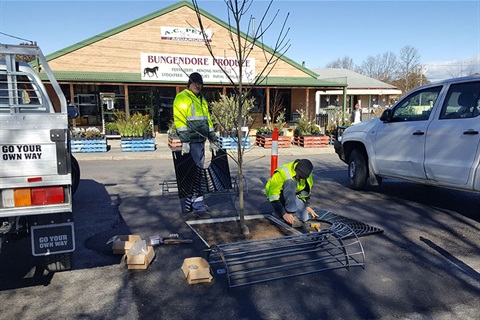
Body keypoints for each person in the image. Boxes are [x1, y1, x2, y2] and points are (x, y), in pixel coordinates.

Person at [173, 72, 218, 215]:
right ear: (189, 83)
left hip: (200, 142)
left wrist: (213, 139)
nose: (198, 86)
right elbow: (179, 120)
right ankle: (194, 204)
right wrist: (185, 141)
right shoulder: (182, 98)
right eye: (195, 83)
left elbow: (208, 121)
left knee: (196, 173)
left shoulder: (201, 100)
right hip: (191, 142)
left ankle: (194, 203)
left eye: (200, 83)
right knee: (194, 173)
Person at [265, 159, 319, 227]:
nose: (301, 179)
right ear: (296, 171)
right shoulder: (282, 172)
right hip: (280, 194)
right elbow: (273, 196)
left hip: (294, 194)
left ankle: (289, 210)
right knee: (290, 182)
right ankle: (289, 212)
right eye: (300, 177)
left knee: (304, 218)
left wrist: (306, 205)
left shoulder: (307, 173)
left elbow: (307, 190)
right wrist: (284, 214)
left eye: (304, 178)